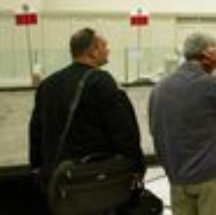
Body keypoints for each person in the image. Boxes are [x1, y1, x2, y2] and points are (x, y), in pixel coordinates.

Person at [29, 28, 145, 202]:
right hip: (93, 178)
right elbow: (124, 131)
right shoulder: (102, 81)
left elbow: (36, 130)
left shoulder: (47, 85)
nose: (108, 50)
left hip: (58, 179)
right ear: (93, 51)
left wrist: (37, 168)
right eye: (104, 46)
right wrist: (137, 166)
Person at [149, 33, 216, 215]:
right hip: (211, 178)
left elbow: (156, 130)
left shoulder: (159, 88)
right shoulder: (211, 85)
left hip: (178, 178)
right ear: (209, 54)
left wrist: (171, 169)